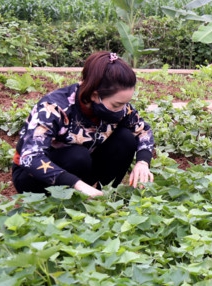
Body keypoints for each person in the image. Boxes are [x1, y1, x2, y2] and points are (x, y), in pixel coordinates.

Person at [12, 51, 155, 197]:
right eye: (117, 104)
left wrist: (143, 162)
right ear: (94, 95)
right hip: (34, 177)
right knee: (78, 156)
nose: (123, 110)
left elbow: (143, 131)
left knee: (125, 139)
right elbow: (30, 158)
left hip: (81, 172)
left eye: (125, 103)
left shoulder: (119, 108)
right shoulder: (54, 107)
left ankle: (106, 196)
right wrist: (78, 184)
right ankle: (61, 201)